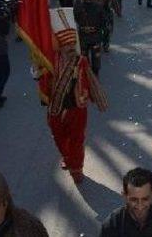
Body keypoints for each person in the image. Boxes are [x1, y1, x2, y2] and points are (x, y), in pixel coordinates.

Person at [47, 22, 108, 184]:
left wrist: (99, 99)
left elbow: (91, 80)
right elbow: (44, 80)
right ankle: (68, 158)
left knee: (77, 139)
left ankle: (77, 169)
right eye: (66, 46)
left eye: (72, 45)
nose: (70, 49)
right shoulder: (52, 60)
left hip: (77, 108)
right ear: (61, 47)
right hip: (56, 108)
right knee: (59, 137)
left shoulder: (81, 61)